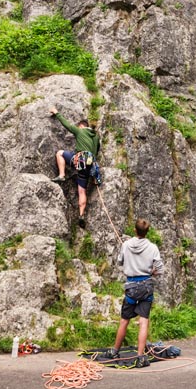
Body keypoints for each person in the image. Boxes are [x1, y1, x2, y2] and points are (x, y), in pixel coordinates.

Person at [107, 218, 164, 368]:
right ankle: (140, 357)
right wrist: (152, 271)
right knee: (143, 321)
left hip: (131, 288)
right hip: (146, 287)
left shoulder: (126, 245)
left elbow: (119, 262)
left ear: (134, 230)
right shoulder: (152, 247)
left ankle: (115, 351)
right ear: (147, 231)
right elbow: (160, 269)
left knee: (124, 320)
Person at [49, 107, 100, 228]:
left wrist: (57, 113)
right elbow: (97, 150)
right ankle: (81, 215)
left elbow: (67, 125)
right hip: (89, 164)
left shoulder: (80, 131)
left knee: (60, 153)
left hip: (80, 159)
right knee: (82, 190)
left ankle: (62, 175)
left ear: (81, 126)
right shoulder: (96, 137)